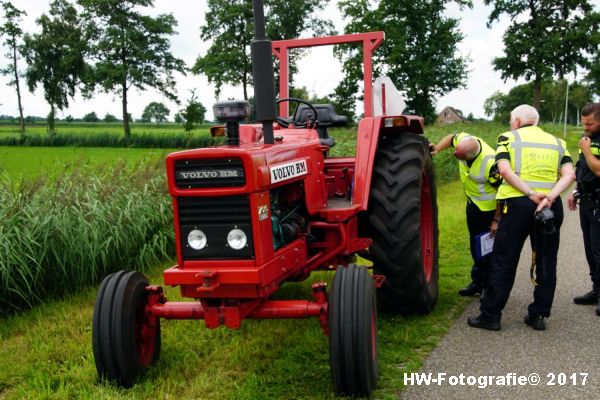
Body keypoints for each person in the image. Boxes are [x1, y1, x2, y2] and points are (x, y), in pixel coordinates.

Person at [467, 104, 575, 331]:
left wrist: (530, 194)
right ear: (535, 121)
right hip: (549, 207)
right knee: (546, 260)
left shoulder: (508, 138)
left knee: (504, 259)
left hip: (518, 205)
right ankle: (538, 316)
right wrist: (550, 196)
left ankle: (491, 316)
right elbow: (569, 174)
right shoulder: (558, 143)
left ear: (516, 121)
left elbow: (504, 170)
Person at [431, 132, 501, 298]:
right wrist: (437, 149)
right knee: (475, 246)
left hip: (489, 210)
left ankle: (488, 288)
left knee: (488, 251)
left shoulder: (491, 164)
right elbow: (450, 137)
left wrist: (496, 220)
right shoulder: (464, 141)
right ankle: (477, 283)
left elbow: (502, 193)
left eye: (460, 157)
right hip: (473, 205)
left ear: (471, 156)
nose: (457, 157)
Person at [568, 103, 600, 314]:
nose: (586, 127)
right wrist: (575, 191)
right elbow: (583, 169)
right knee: (590, 249)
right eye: (583, 123)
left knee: (599, 251)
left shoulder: (589, 143)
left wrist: (587, 150)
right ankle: (596, 289)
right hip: (587, 202)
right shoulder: (587, 138)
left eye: (590, 123)